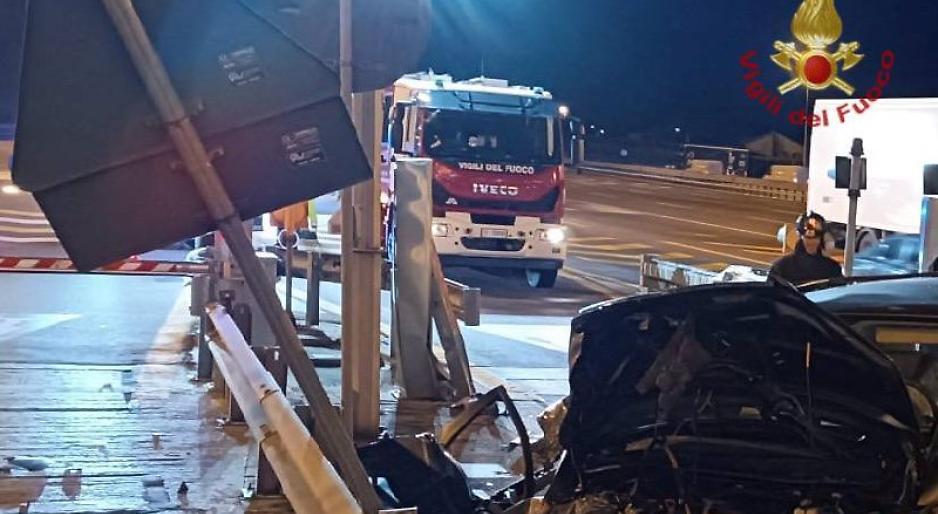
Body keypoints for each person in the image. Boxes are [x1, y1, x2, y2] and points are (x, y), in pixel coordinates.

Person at [769, 212, 844, 285]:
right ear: (800, 235)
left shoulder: (833, 268)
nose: (812, 242)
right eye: (808, 238)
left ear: (822, 237)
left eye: (816, 237)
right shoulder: (782, 266)